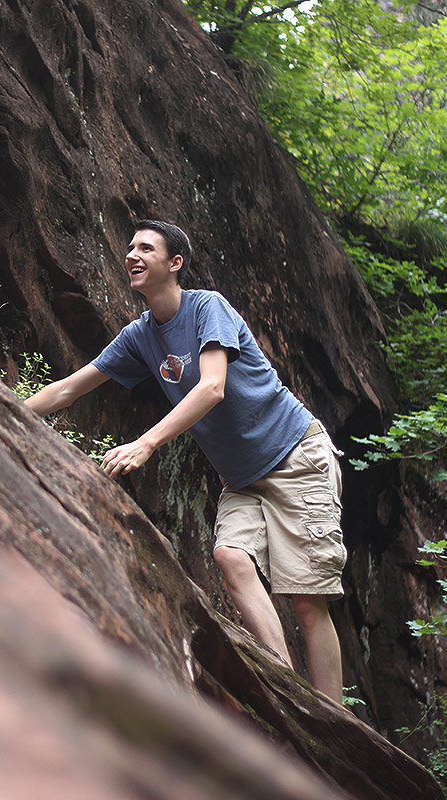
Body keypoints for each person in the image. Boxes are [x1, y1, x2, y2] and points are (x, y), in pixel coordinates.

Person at [24, 220, 347, 702]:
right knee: (230, 558)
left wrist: (146, 443)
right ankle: (294, 696)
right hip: (242, 479)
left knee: (307, 602)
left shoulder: (206, 308)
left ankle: (337, 722)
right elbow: (71, 387)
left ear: (173, 263)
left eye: (145, 248)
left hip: (295, 455)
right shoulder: (140, 336)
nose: (132, 254)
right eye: (129, 247)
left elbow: (213, 386)